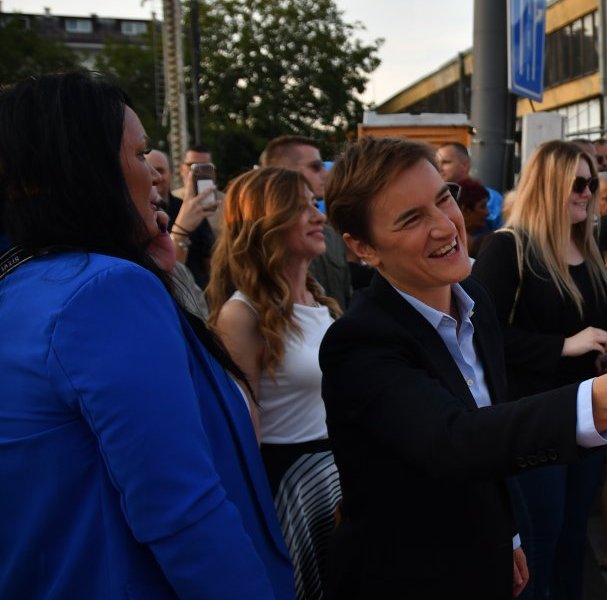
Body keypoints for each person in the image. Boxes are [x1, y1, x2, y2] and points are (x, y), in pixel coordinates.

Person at [318, 136, 607, 597]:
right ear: (363, 247)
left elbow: (487, 425)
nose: (444, 226)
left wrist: (507, 533)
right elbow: (456, 440)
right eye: (411, 219)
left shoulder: (473, 298)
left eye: (444, 199)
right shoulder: (358, 343)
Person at [0, 73, 293, 598]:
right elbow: (183, 507)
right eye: (140, 155)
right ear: (84, 169)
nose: (158, 178)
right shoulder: (104, 291)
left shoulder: (28, 285)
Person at [472, 139, 607, 599]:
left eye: (591, 184)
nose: (587, 193)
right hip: (532, 423)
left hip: (586, 419)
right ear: (548, 186)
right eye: (577, 183)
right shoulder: (507, 248)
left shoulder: (586, 250)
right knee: (538, 546)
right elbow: (480, 334)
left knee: (574, 542)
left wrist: (602, 350)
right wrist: (563, 346)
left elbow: (593, 324)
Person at [207, 167, 343, 599]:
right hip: (288, 486)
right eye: (301, 207)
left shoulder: (322, 303)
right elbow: (242, 433)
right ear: (267, 222)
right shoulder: (241, 314)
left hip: (339, 475)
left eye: (314, 204)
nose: (318, 215)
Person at [262, 135, 353, 311]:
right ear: (282, 171)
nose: (326, 173)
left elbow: (346, 299)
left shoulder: (331, 235)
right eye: (315, 167)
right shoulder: (261, 239)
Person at [147, 149, 209, 317]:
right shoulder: (139, 218)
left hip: (198, 301)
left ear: (171, 173)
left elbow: (209, 258)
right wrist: (181, 230)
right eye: (147, 168)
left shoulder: (191, 208)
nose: (155, 177)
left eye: (160, 170)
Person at [437, 141, 505, 229]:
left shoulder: (492, 199)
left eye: (445, 162)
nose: (439, 167)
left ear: (465, 165)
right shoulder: (435, 198)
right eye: (437, 163)